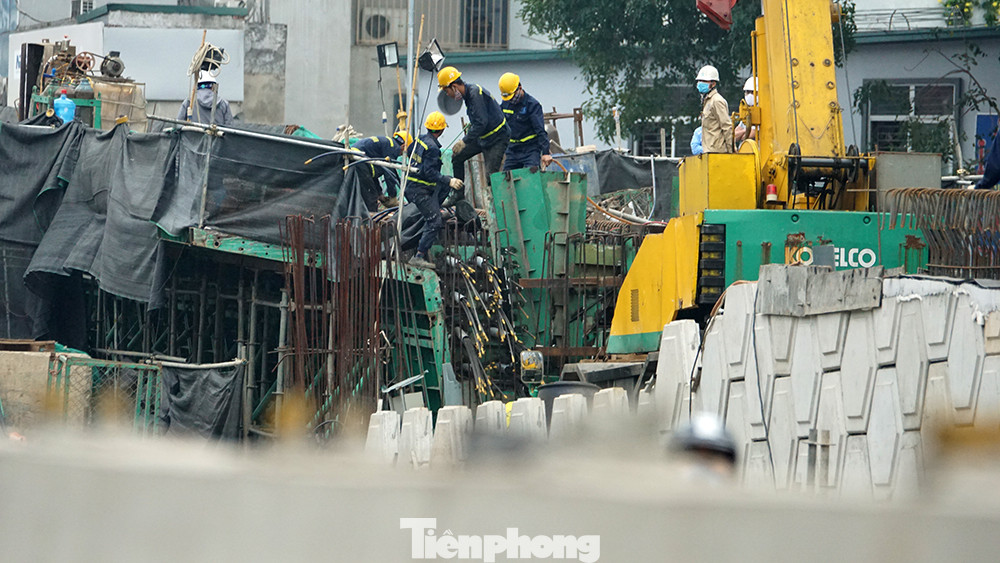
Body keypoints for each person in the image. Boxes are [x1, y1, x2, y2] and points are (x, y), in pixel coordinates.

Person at [438, 66, 509, 205]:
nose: (448, 95)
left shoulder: (475, 93)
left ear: (454, 87)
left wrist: (464, 141)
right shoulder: (468, 97)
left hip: (497, 138)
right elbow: (480, 121)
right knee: (457, 157)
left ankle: (496, 210)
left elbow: (481, 123)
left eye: (447, 91)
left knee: (491, 177)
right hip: (483, 137)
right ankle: (458, 195)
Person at [405, 111, 463, 269]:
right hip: (420, 190)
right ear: (441, 130)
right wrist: (450, 181)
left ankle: (435, 207)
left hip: (410, 187)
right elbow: (430, 173)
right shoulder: (432, 148)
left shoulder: (419, 140)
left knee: (444, 183)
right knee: (435, 222)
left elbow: (409, 153)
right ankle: (419, 256)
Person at [497, 72, 553, 171]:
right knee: (507, 180)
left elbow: (540, 130)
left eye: (512, 96)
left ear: (520, 88)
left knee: (531, 177)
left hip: (530, 149)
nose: (511, 100)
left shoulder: (532, 105)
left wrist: (545, 153)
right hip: (512, 149)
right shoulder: (505, 103)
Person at [352, 130, 413, 207]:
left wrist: (380, 195)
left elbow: (372, 175)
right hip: (359, 159)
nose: (400, 155)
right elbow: (389, 173)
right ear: (404, 146)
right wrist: (393, 196)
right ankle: (372, 217)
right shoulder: (393, 147)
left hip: (355, 158)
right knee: (371, 197)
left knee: (368, 191)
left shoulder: (386, 143)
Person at [696, 65, 733, 154]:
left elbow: (727, 127)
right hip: (708, 152)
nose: (701, 83)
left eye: (704, 81)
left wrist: (731, 151)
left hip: (717, 153)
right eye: (700, 81)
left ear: (713, 83)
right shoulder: (707, 101)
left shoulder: (717, 101)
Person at [734, 76, 758, 146]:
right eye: (747, 92)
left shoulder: (761, 111)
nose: (750, 95)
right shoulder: (746, 112)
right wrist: (747, 130)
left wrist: (743, 132)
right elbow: (734, 136)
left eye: (753, 92)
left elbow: (750, 135)